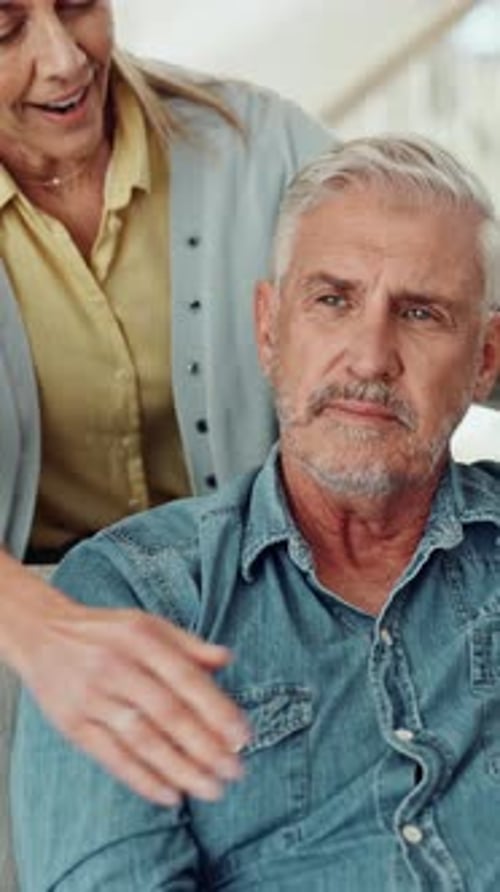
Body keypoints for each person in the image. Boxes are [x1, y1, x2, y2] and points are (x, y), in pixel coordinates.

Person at [12, 135, 500, 891]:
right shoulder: (133, 597)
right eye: (333, 300)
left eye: (422, 314)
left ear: (487, 359)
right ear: (269, 327)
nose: (370, 358)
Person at [0, 0, 332, 803]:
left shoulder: (265, 147)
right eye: (3, 27)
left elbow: (463, 308)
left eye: (78, 3)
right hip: (32, 658)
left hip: (276, 632)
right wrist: (32, 623)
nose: (66, 60)